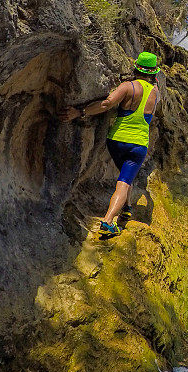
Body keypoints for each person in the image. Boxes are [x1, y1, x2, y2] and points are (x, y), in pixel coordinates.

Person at [59, 52, 160, 237]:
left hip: (116, 141)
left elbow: (106, 104)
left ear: (136, 68)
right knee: (124, 182)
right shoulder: (156, 93)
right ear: (154, 73)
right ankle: (108, 220)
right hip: (138, 145)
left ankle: (127, 207)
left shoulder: (128, 87)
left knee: (125, 175)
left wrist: (78, 112)